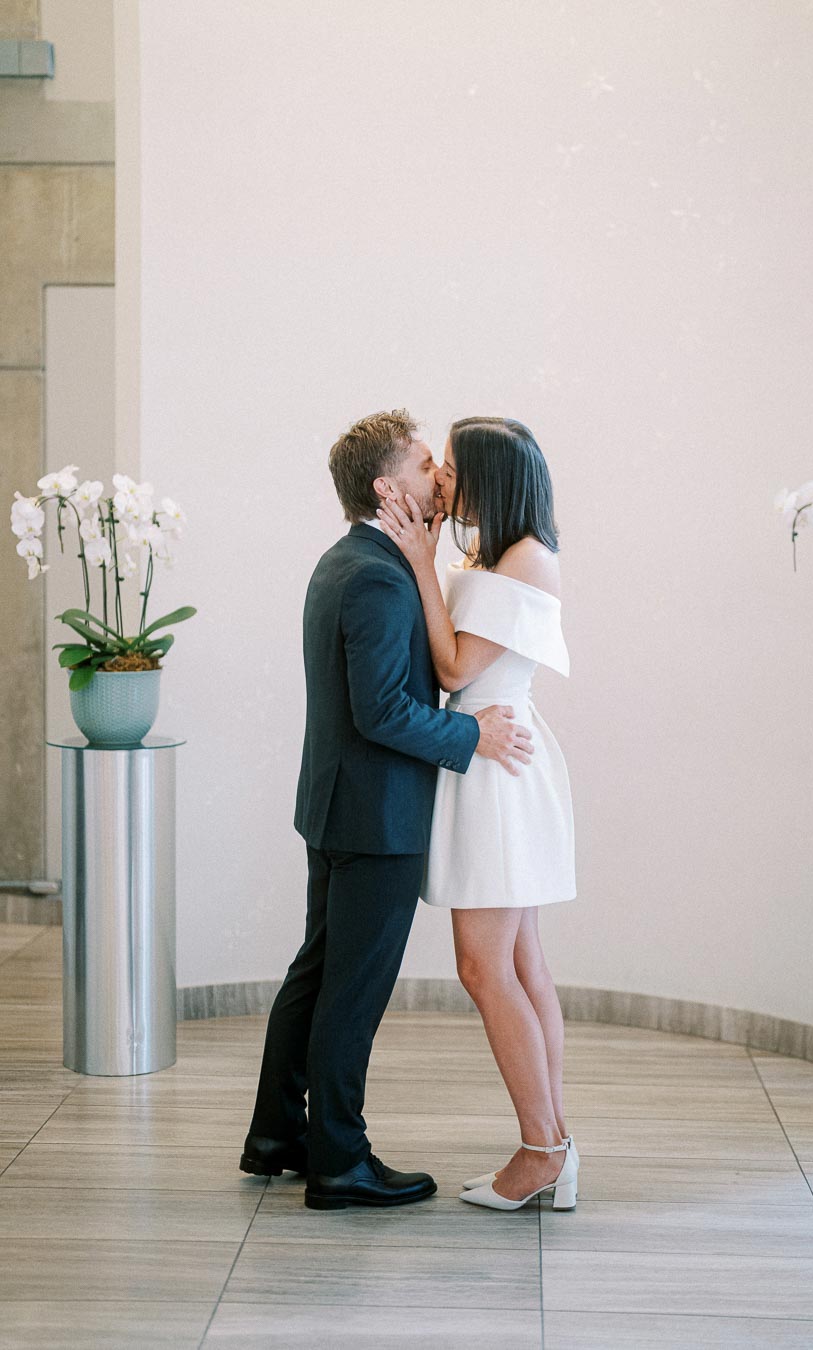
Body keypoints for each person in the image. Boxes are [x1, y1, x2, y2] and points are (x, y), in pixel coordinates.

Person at [240, 409, 535, 1210]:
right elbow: (383, 712)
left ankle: (276, 1136)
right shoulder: (375, 574)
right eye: (425, 462)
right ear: (386, 485)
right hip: (375, 819)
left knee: (317, 973)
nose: (439, 474)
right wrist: (470, 734)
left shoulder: (352, 560)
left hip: (340, 808)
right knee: (353, 991)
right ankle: (339, 1160)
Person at [377, 415, 578, 1212]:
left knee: (484, 967)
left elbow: (454, 664)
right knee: (522, 965)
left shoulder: (525, 558)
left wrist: (423, 565)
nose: (444, 481)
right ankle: (553, 1143)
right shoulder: (499, 552)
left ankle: (542, 1150)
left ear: (493, 476)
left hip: (497, 765)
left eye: (455, 469)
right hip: (488, 753)